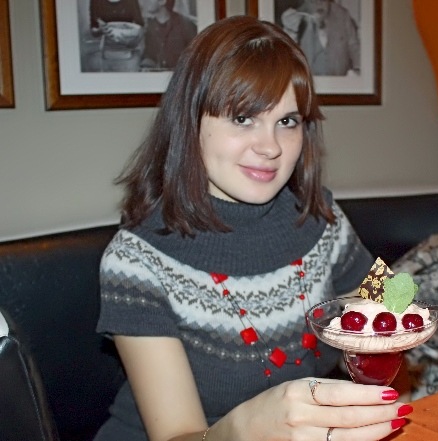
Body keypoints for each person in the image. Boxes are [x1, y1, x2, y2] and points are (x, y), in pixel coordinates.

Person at [93, 15, 412, 441]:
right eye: (243, 118)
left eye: (287, 121)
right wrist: (250, 425)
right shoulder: (136, 262)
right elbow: (177, 435)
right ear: (190, 121)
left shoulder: (322, 219)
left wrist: (395, 326)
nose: (270, 147)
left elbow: (386, 301)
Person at [281, 0, 360, 76]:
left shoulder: (343, 15)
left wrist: (358, 70)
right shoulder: (296, 17)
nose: (318, 3)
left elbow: (355, 47)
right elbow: (288, 59)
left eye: (323, 0)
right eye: (313, 1)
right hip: (309, 80)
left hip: (339, 81)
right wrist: (290, 30)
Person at [139, 0, 197, 70]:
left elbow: (197, 55)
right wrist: (146, 65)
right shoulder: (150, 27)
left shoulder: (185, 25)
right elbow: (149, 56)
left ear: (162, 1)